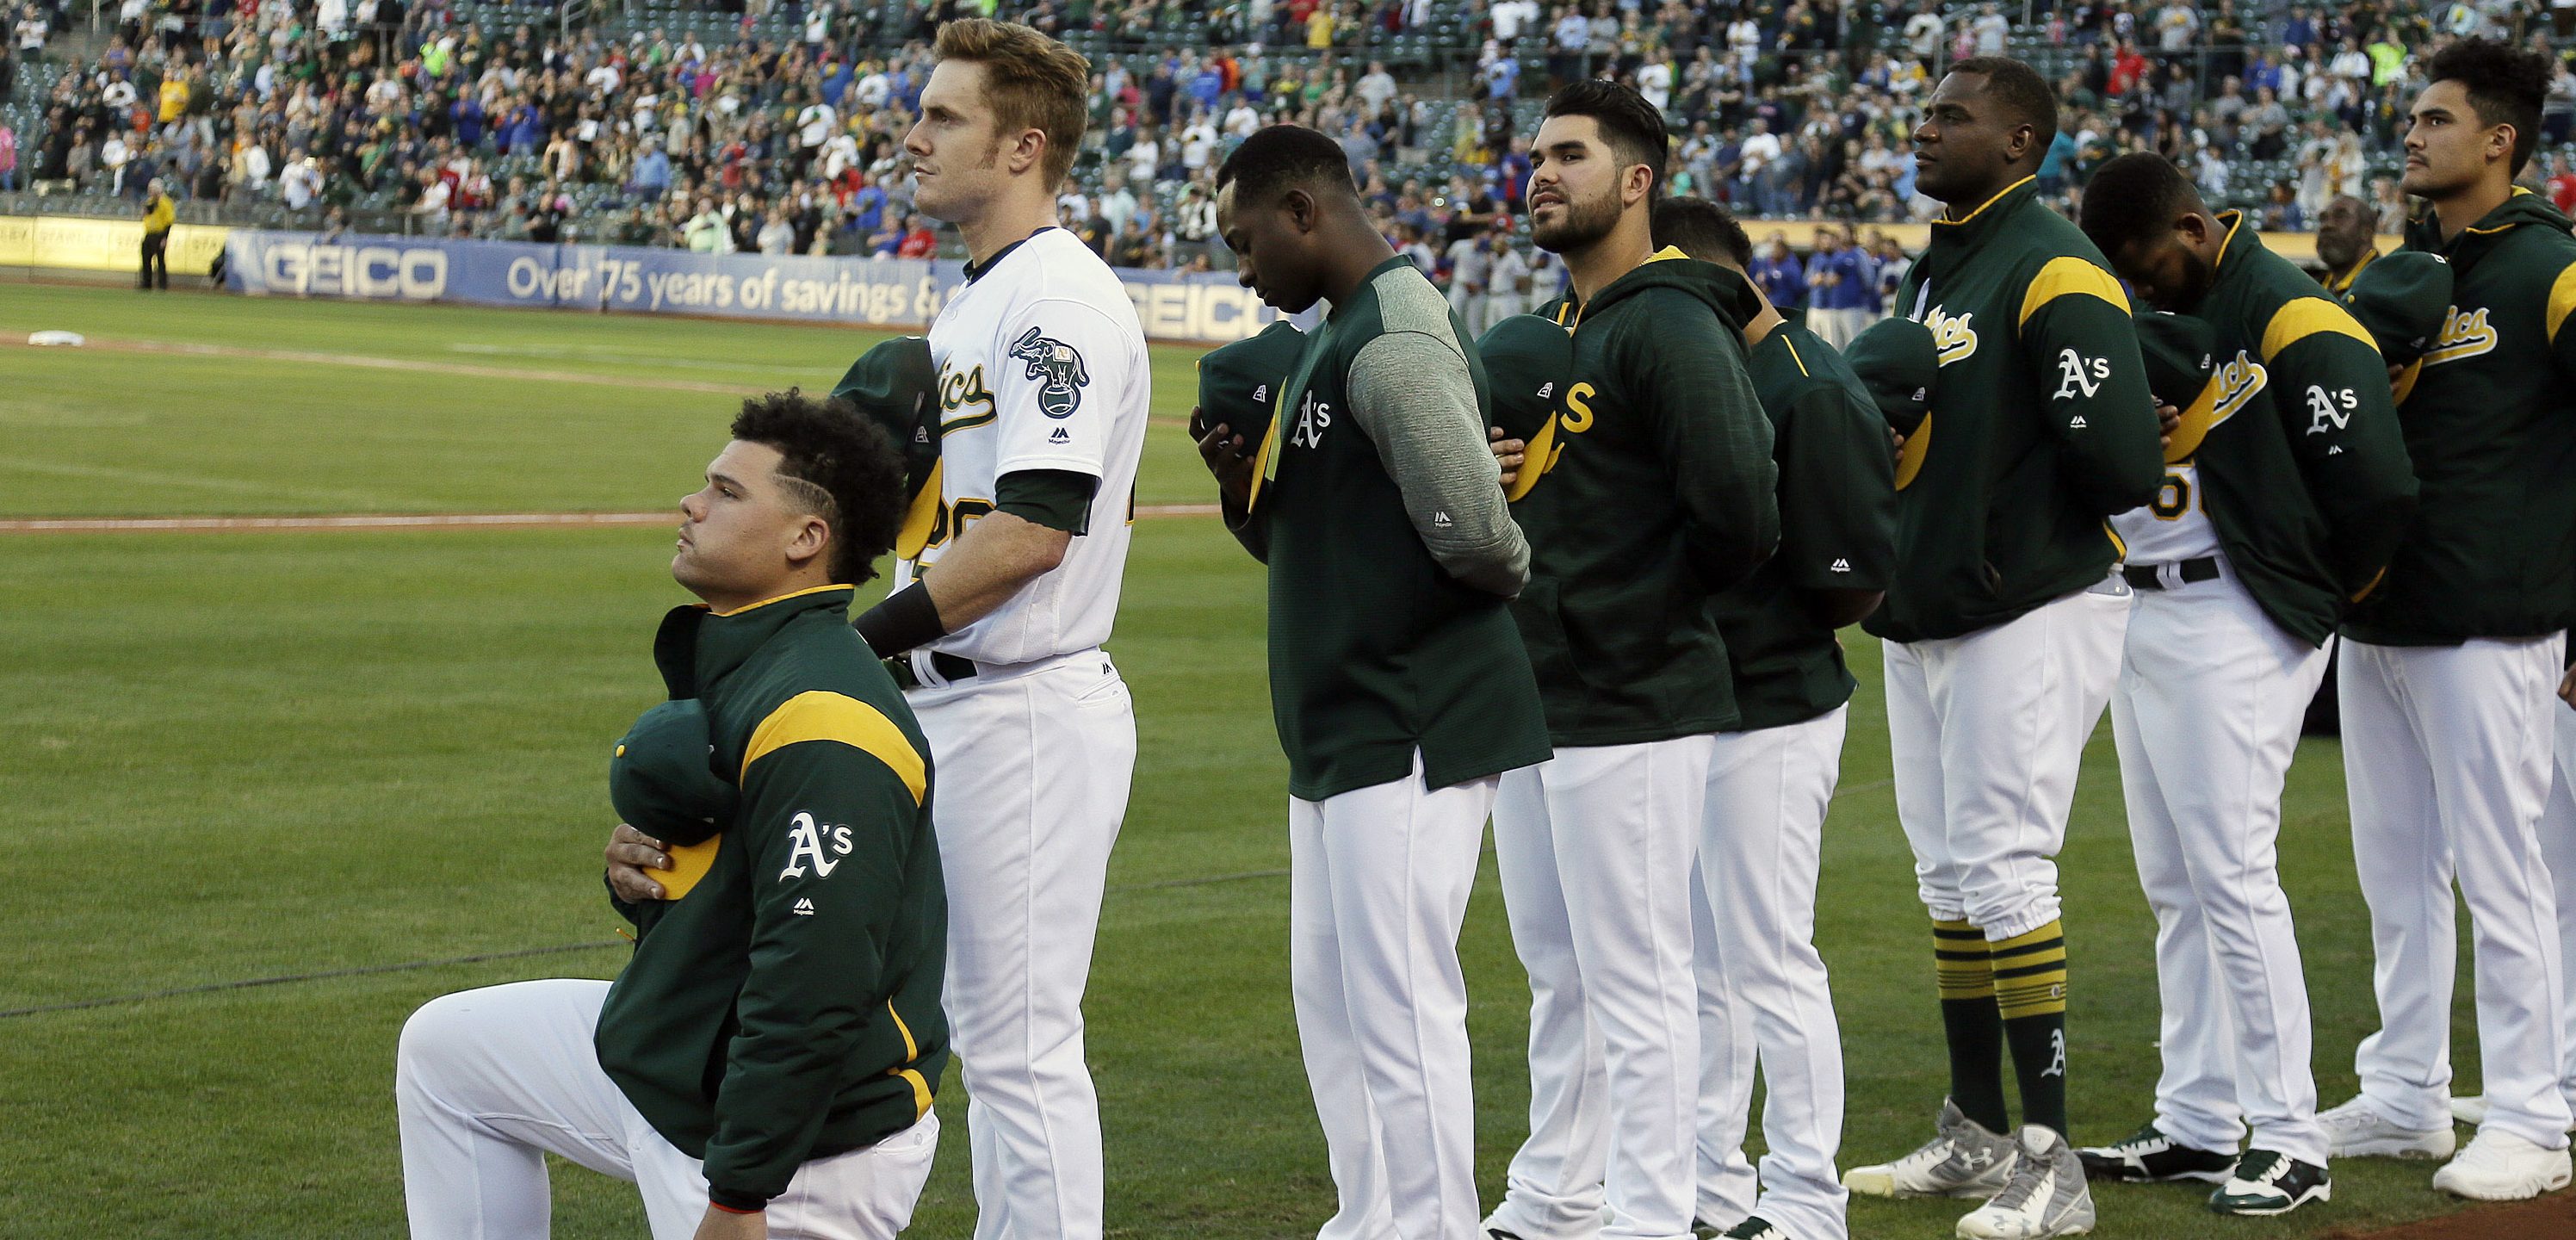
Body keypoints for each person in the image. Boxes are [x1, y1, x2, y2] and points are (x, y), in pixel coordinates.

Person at [401, 391, 944, 1240]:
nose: (691, 505)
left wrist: (738, 1195)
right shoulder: (759, 660)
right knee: (448, 1056)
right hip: (685, 1057)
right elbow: (732, 878)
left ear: (806, 539)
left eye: (728, 493)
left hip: (803, 1149)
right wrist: (640, 873)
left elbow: (816, 982)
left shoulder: (827, 716)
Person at [1198, 122, 1551, 1240]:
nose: (1239, 269)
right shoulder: (1335, 334)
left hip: (1409, 714)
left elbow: (1486, 542)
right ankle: (1374, 1220)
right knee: (1339, 1003)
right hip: (1342, 723)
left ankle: (1433, 1230)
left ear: (1305, 212)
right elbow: (1320, 543)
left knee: (1400, 1007)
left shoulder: (1392, 336)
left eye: (1244, 240)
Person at [1839, 57, 2162, 1240]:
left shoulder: (2053, 265)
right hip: (1932, 611)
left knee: (2008, 869)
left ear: (2021, 142)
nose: (1924, 132)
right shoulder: (1953, 263)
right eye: (1923, 112)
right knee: (1950, 877)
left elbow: (2125, 462)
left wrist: (2004, 527)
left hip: (2025, 603)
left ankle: (2053, 1162)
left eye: (1952, 118)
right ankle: (1977, 1132)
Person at [2073, 152, 2419, 1217]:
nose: (2134, 285)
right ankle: (2194, 1119)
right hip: (2147, 601)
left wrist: (2319, 592)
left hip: (2234, 605)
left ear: (2190, 227)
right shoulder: (2210, 296)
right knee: (2175, 880)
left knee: (2228, 872)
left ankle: (2287, 1135)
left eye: (2141, 263)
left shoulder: (2285, 307)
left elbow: (2376, 482)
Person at [851, 20, 1151, 1240]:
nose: (912, 138)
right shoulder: (983, 297)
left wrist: (855, 641)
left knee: (1019, 1042)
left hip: (1021, 702)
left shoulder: (1057, 299)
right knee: (958, 1023)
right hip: (956, 697)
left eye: (945, 118)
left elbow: (1034, 530)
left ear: (1025, 146)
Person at [1478, 80, 1780, 1240]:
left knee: (1641, 983)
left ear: (1638, 180)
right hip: (1545, 695)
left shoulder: (1667, 320)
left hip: (1636, 697)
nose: (1540, 174)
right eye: (1536, 157)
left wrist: (1637, 612)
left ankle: (1654, 1217)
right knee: (1563, 975)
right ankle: (1558, 1196)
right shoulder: (1574, 331)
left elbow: (1742, 515)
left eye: (1569, 155)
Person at [2322, 37, 2576, 1201]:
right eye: (2412, 120)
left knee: (2502, 866)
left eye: (2434, 119)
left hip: (2491, 619)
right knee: (2395, 872)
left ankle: (2533, 1110)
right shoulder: (2409, 269)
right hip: (2381, 617)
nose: (2412, 136)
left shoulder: (2549, 271)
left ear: (2499, 139)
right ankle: (2406, 1092)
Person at [1650, 195, 1898, 1240]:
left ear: (1717, 279)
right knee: (1704, 963)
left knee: (1768, 956)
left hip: (1779, 710)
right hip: (1702, 706)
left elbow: (1851, 584)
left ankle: (1806, 1196)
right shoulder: (1708, 368)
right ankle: (1714, 1184)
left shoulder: (1810, 385)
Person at [2315, 194, 2380, 294]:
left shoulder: (2385, 286)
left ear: (2366, 232)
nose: (2326, 225)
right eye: (2323, 218)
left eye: (2340, 217)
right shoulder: (2312, 289)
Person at [138, 177, 172, 291]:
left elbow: (169, 222)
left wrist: (165, 238)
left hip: (159, 234)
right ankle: (146, 283)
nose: (150, 192)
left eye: (152, 189)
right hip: (149, 233)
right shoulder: (150, 202)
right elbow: (145, 215)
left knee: (160, 261)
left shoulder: (166, 203)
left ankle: (162, 285)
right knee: (146, 259)